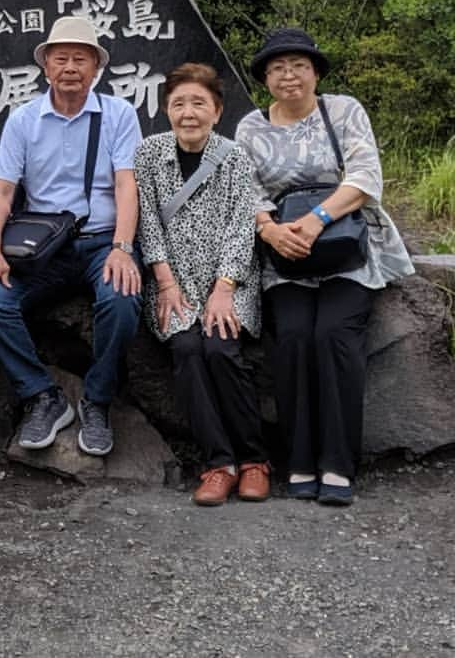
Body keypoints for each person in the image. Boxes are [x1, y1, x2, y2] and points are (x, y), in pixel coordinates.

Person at [236, 27, 414, 506]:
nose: (288, 75)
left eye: (298, 65)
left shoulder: (343, 110)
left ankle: (337, 463)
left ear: (315, 72)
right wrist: (270, 230)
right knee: (292, 338)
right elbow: (245, 189)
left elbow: (364, 175)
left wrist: (316, 220)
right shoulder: (251, 127)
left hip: (344, 248)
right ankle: (299, 459)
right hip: (283, 256)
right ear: (265, 78)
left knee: (333, 336)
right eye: (277, 68)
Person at [0, 15, 143, 456]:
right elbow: (2, 190)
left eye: (80, 58)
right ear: (45, 66)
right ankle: (42, 396)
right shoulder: (23, 120)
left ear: (96, 67)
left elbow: (127, 184)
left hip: (103, 240)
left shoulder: (119, 115)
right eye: (60, 57)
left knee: (121, 301)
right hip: (42, 249)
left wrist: (123, 247)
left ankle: (98, 401)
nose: (70, 67)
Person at [135, 63, 269, 506]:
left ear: (217, 110)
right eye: (178, 104)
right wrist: (166, 282)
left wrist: (224, 287)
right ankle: (218, 465)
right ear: (166, 110)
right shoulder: (150, 153)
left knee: (220, 347)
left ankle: (253, 461)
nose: (188, 113)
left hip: (228, 283)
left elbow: (240, 227)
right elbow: (148, 222)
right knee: (187, 350)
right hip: (172, 282)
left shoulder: (232, 155)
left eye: (198, 103)